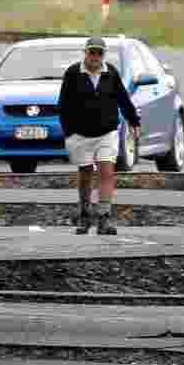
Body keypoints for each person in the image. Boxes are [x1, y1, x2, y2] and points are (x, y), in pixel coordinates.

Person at [57, 36, 141, 235]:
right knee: (85, 173)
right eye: (91, 52)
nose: (95, 56)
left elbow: (123, 99)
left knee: (106, 170)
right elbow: (63, 104)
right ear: (85, 53)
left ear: (104, 55)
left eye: (99, 53)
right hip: (79, 134)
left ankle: (104, 218)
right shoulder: (72, 73)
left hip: (107, 132)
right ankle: (85, 215)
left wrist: (134, 121)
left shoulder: (110, 73)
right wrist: (68, 132)